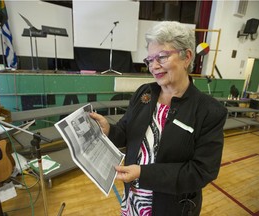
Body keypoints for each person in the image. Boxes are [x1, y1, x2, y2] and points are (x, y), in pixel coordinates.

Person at [90, 21, 227, 216]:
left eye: (162, 57)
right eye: (149, 60)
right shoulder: (144, 93)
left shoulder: (208, 110)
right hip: (134, 199)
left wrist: (143, 174)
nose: (154, 67)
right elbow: (125, 131)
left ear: (186, 57)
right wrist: (109, 130)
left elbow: (200, 172)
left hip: (171, 208)